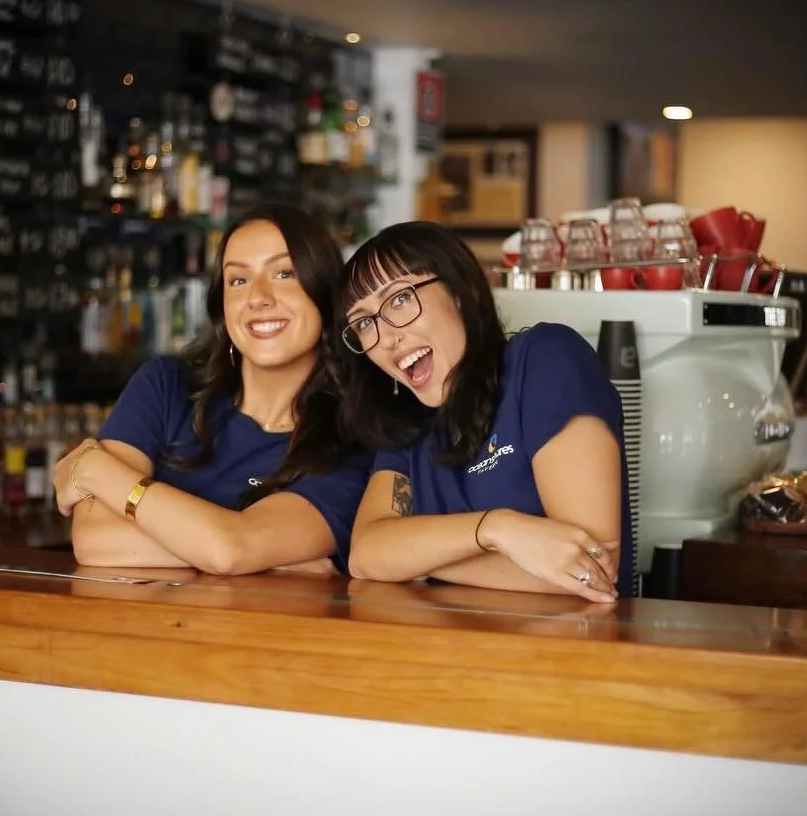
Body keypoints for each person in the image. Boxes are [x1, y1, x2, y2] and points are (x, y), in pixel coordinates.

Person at [57, 203, 372, 576]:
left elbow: (232, 549)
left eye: (284, 273)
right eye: (238, 280)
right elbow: (93, 537)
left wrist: (98, 471)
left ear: (323, 293)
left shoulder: (354, 440)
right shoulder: (166, 385)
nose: (258, 297)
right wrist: (260, 561)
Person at [336, 221, 632, 602]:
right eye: (364, 322)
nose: (387, 336)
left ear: (463, 291)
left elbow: (591, 570)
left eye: (400, 299)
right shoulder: (410, 426)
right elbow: (367, 555)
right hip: (455, 655)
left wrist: (417, 562)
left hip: (569, 652)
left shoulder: (546, 359)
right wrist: (497, 530)